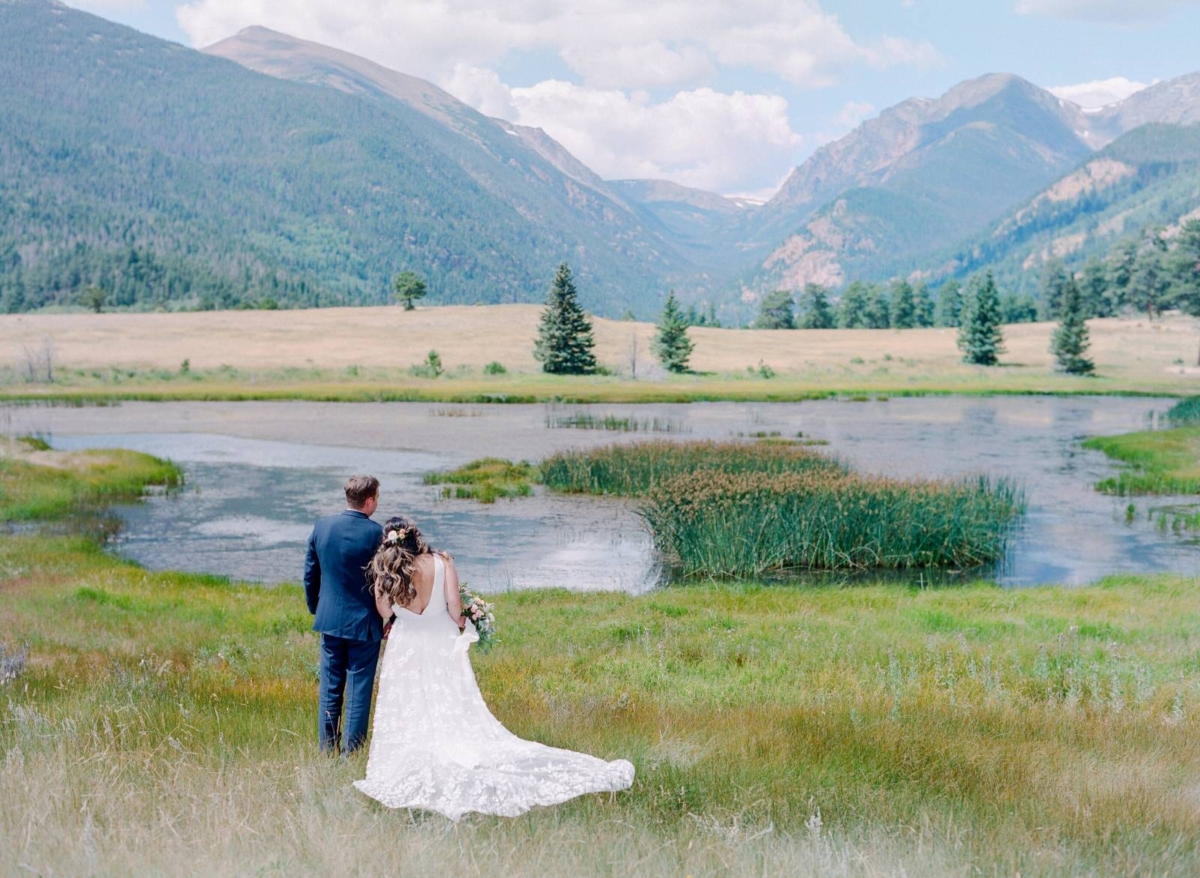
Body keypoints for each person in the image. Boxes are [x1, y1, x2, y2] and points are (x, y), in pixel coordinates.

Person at [353, 515, 634, 820]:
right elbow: (454, 608)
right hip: (440, 641)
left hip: (405, 644)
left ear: (388, 542)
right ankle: (452, 750)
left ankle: (410, 762)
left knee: (408, 705)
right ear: (415, 536)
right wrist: (465, 621)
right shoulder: (441, 562)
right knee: (450, 701)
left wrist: (405, 616)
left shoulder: (384, 572)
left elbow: (384, 611)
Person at [304, 475, 384, 754]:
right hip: (365, 623)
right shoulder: (378, 534)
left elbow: (310, 574)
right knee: (358, 691)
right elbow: (385, 581)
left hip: (329, 621)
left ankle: (328, 749)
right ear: (370, 499)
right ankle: (351, 753)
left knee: (330, 687)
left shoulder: (322, 527)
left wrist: (317, 608)